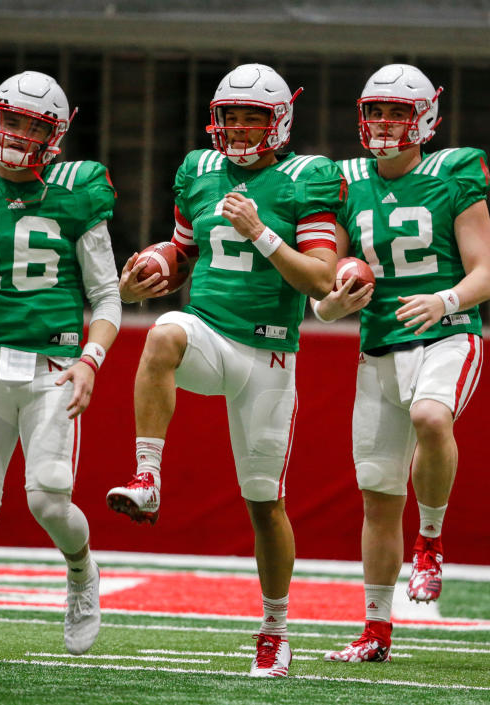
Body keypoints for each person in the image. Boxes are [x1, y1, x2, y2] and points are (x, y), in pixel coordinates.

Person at [107, 63, 343, 678]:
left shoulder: (306, 177)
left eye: (252, 116)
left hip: (267, 350)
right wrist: (148, 277)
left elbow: (320, 279)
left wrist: (262, 232)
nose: (238, 127)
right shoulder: (200, 170)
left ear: (280, 121)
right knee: (161, 333)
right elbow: (184, 252)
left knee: (264, 503)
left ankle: (274, 627)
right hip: (207, 330)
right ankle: (149, 476)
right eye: (230, 115)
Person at [0, 70, 121, 686]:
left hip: (52, 367)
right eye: (11, 120)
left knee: (47, 493)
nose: (17, 135)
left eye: (33, 126)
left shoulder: (79, 186)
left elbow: (107, 297)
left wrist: (90, 361)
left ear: (56, 137)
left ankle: (81, 568)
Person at [312, 64, 490, 664]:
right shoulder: (344, 180)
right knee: (378, 495)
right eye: (376, 111)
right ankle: (375, 631)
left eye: (397, 111)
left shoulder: (453, 171)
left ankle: (433, 540)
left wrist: (443, 300)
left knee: (431, 419)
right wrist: (330, 304)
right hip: (378, 347)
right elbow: (326, 286)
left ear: (426, 118)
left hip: (448, 334)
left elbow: (485, 276)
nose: (385, 124)